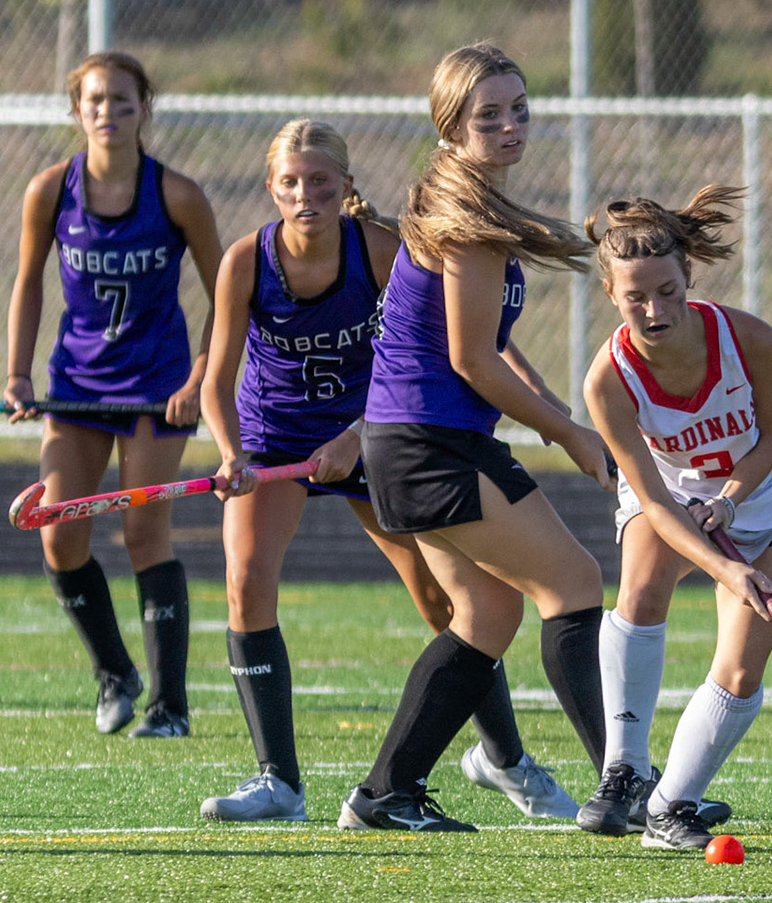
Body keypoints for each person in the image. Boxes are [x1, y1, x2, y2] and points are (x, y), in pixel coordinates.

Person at [198, 119, 576, 823]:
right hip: (274, 436)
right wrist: (232, 454)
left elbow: (428, 346)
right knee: (245, 584)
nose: (305, 195)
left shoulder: (379, 249)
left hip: (374, 429)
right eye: (290, 183)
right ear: (271, 187)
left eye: (320, 181)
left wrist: (354, 435)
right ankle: (278, 783)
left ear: (345, 184)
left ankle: (506, 760)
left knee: (447, 600)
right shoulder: (245, 262)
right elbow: (217, 382)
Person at [339, 42, 617, 832]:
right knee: (573, 583)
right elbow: (472, 360)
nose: (509, 126)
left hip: (408, 442)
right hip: (431, 443)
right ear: (451, 127)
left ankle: (386, 793)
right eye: (487, 115)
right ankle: (626, 784)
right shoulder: (467, 223)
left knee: (488, 614)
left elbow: (491, 342)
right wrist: (566, 433)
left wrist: (564, 419)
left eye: (518, 109)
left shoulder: (458, 202)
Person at [5, 52, 224, 738]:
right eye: (95, 100)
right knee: (59, 534)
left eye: (122, 100)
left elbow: (229, 296)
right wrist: (18, 375)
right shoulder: (50, 191)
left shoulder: (178, 195)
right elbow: (28, 282)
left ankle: (169, 706)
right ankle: (115, 673)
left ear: (143, 109)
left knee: (142, 532)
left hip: (157, 386)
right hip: (77, 385)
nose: (108, 112)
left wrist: (198, 379)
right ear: (78, 110)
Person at [578, 186, 772, 850]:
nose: (655, 311)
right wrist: (723, 567)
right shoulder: (608, 382)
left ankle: (670, 806)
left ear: (688, 279)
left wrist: (729, 502)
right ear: (610, 295)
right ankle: (624, 770)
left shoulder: (750, 339)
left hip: (763, 491)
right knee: (641, 589)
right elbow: (652, 501)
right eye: (635, 298)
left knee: (742, 667)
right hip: (670, 492)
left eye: (667, 292)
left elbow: (769, 438)